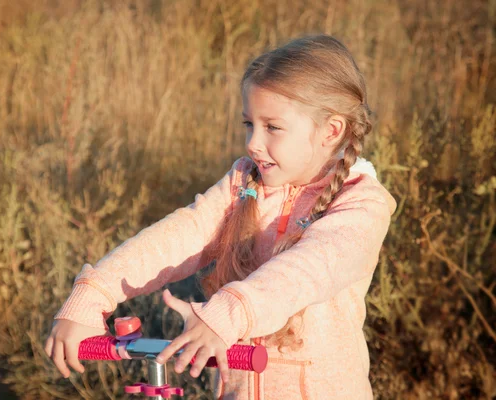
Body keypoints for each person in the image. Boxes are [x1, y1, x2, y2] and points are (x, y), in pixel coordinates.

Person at [44, 34, 397, 400]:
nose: (253, 143)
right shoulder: (244, 183)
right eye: (249, 124)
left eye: (272, 127)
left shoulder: (360, 204)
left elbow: (309, 268)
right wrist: (92, 294)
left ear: (331, 130)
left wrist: (229, 311)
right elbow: (178, 237)